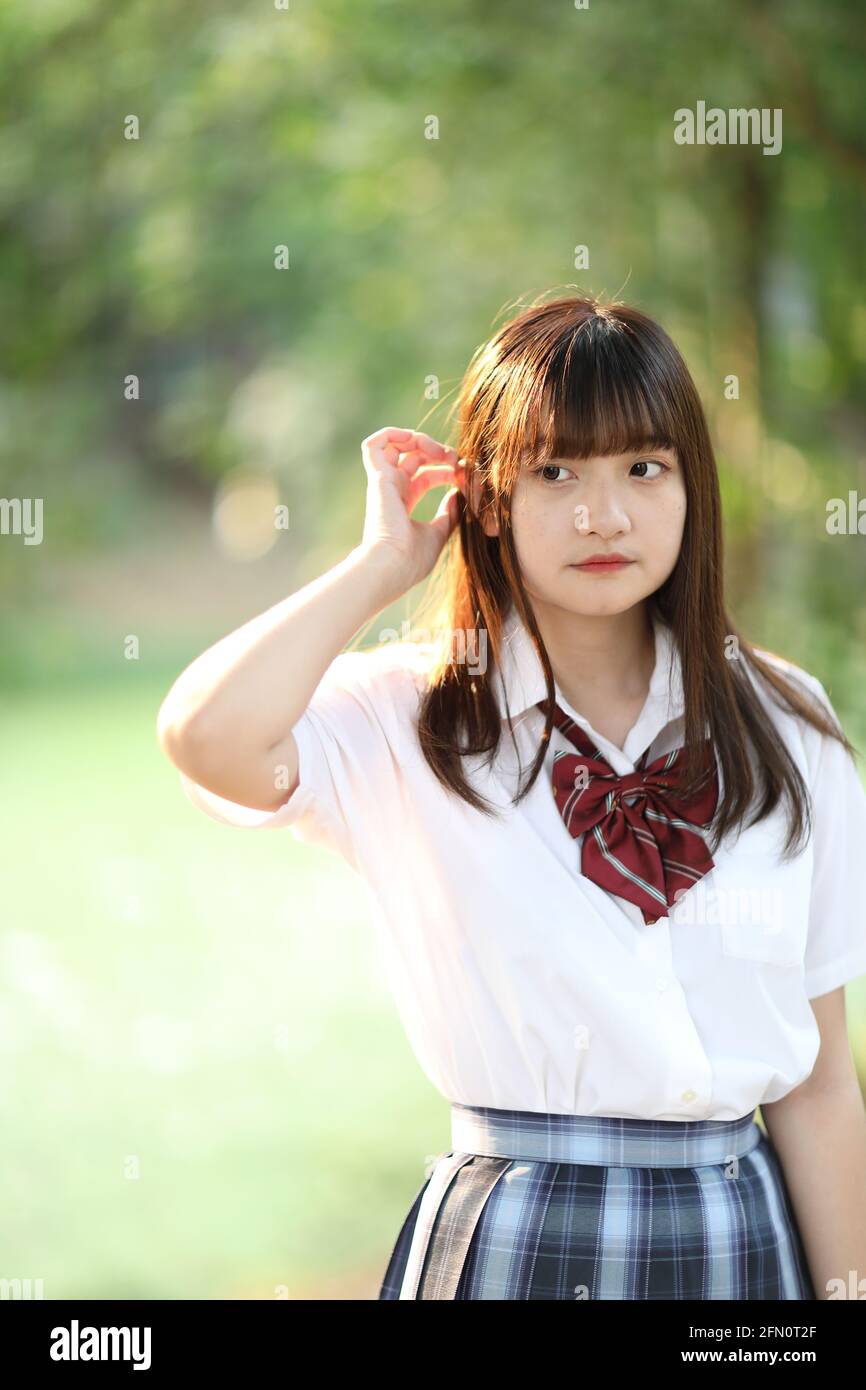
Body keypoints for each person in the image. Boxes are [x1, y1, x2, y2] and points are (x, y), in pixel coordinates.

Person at [157, 293, 866, 1300]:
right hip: (512, 1240)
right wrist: (382, 565)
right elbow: (206, 735)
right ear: (485, 499)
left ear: (688, 487)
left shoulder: (785, 723)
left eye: (640, 467)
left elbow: (819, 1084)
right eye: (552, 471)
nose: (602, 514)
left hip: (737, 1242)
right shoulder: (412, 718)